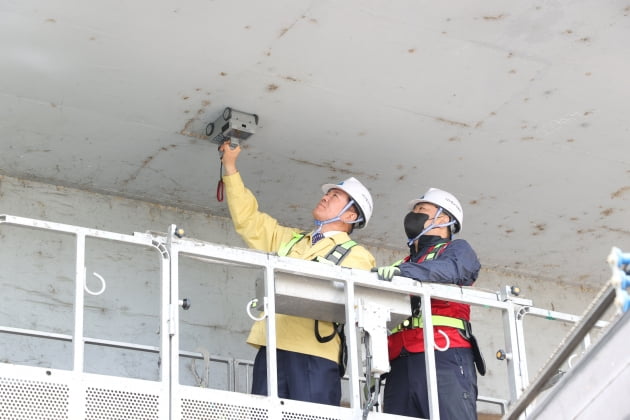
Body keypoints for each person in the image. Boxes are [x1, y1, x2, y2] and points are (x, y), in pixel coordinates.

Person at [219, 141, 376, 405]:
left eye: (335, 196)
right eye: (328, 194)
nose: (325, 197)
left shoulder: (357, 255)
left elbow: (352, 303)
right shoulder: (291, 241)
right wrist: (230, 167)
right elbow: (249, 220)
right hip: (273, 346)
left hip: (314, 352)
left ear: (351, 215)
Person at [374, 188, 483, 420]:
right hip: (399, 362)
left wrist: (404, 273)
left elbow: (454, 270)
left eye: (422, 209)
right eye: (414, 210)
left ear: (443, 219)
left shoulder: (457, 250)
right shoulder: (401, 263)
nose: (414, 214)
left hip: (443, 355)